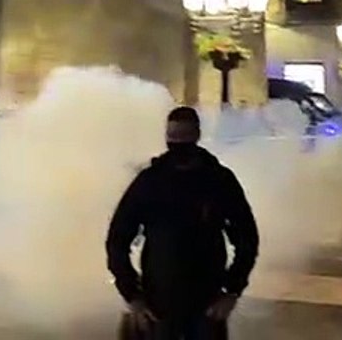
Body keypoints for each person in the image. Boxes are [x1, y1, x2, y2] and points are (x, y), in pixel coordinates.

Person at [106, 106, 259, 340]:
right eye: (173, 140)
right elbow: (118, 239)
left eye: (183, 139)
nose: (178, 148)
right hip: (158, 305)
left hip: (207, 306)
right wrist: (133, 297)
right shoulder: (150, 182)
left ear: (197, 136)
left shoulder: (218, 180)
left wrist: (232, 291)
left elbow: (247, 238)